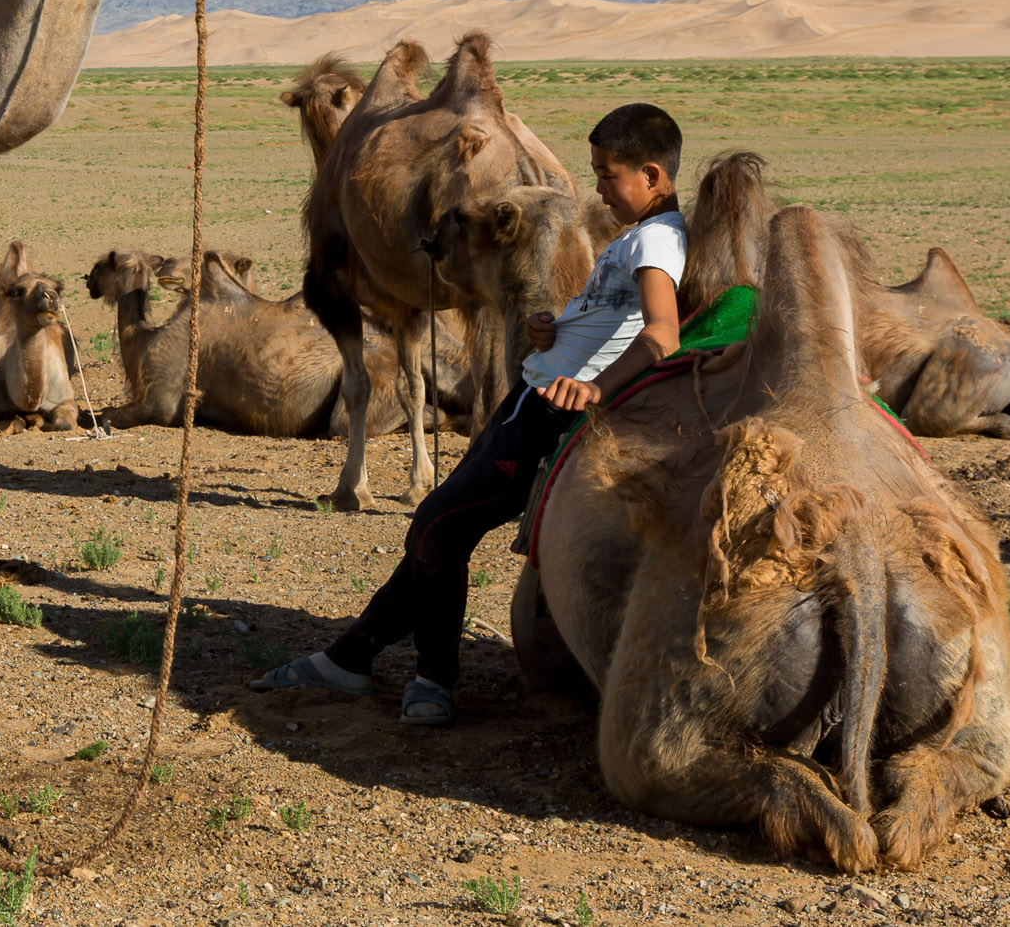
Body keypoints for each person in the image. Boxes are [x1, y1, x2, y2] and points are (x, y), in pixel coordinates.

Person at [248, 102, 689, 726]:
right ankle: (351, 656)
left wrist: (594, 389)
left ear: (652, 175)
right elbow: (615, 324)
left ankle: (433, 680)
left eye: (606, 175)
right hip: (527, 398)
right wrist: (555, 329)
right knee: (435, 527)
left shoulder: (657, 242)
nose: (597, 188)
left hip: (549, 413)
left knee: (438, 524)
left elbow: (661, 334)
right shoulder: (641, 236)